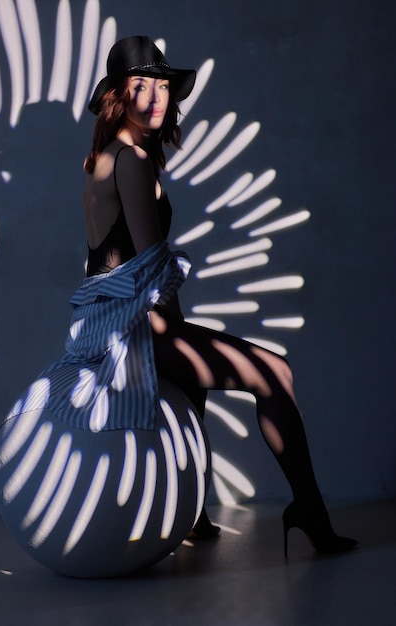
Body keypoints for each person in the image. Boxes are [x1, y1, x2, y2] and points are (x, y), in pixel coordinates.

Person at [83, 35, 356, 554]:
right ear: (118, 94)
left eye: (162, 85)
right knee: (275, 372)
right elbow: (151, 265)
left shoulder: (104, 156)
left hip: (107, 325)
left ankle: (193, 514)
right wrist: (175, 329)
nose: (157, 97)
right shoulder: (133, 160)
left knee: (195, 387)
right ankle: (309, 511)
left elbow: (106, 262)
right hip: (133, 331)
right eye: (141, 85)